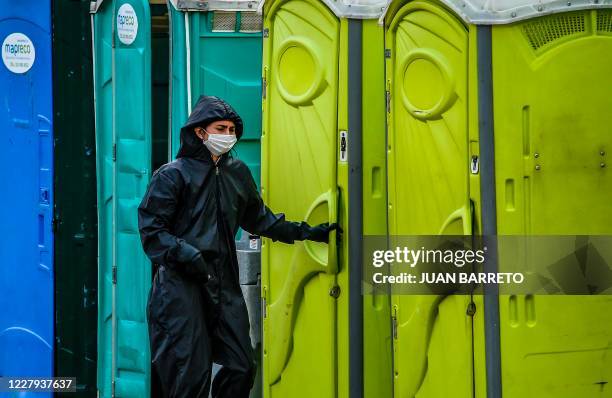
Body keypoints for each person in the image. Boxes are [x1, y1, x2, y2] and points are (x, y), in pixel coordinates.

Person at [138, 96, 338, 398]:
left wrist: (309, 233)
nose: (228, 135)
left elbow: (260, 219)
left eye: (232, 129)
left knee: (241, 366)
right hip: (181, 288)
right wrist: (188, 255)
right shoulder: (172, 175)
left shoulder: (237, 173)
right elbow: (152, 232)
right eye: (221, 127)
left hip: (223, 283)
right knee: (189, 375)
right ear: (200, 132)